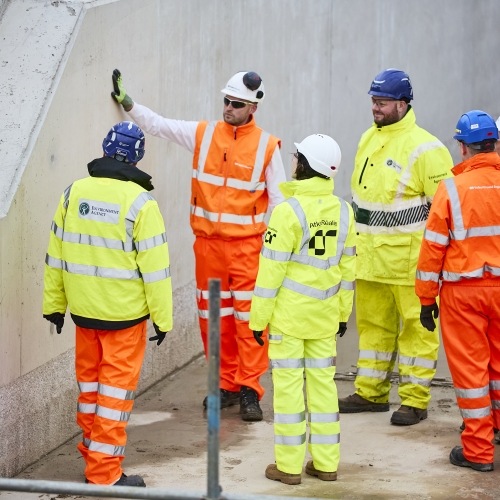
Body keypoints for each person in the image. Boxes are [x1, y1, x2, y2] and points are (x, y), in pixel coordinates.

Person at [110, 69, 285, 421]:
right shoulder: (204, 134)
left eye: (236, 104)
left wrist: (275, 250)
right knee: (214, 319)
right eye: (226, 100)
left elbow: (280, 204)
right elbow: (159, 125)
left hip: (248, 250)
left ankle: (251, 388)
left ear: (253, 107)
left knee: (250, 321)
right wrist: (129, 104)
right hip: (207, 248)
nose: (228, 108)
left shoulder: (267, 146)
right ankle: (225, 384)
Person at [43, 121, 172, 487]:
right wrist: (164, 320)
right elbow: (156, 272)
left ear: (104, 148)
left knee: (91, 391)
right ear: (137, 157)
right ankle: (103, 474)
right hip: (124, 320)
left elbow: (55, 255)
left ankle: (92, 459)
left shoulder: (73, 193)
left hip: (84, 316)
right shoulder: (142, 204)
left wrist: (54, 305)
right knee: (113, 397)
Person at [339, 68, 454, 425]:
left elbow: (445, 211)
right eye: (374, 101)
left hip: (409, 264)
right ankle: (371, 392)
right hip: (370, 262)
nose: (376, 108)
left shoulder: (428, 149)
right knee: (373, 329)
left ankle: (414, 401)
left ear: (403, 104)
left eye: (383, 103)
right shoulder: (367, 139)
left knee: (417, 332)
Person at [249, 134, 356, 484]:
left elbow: (270, 272)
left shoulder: (286, 212)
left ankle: (289, 467)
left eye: (296, 157)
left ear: (305, 165)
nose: (292, 162)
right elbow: (347, 271)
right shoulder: (344, 210)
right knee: (324, 389)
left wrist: (257, 319)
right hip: (324, 319)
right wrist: (342, 314)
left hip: (289, 321)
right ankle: (326, 464)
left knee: (290, 391)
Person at [416, 110, 500, 472]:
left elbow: (433, 246)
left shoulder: (452, 188)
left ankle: (479, 451)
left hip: (463, 293)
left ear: (463, 147)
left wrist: (424, 297)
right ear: (494, 144)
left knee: (470, 373)